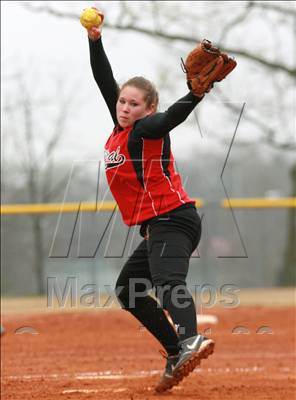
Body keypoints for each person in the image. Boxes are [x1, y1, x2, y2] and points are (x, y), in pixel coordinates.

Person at [85, 11, 215, 393]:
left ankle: (191, 338)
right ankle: (176, 352)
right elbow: (103, 80)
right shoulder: (120, 126)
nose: (125, 107)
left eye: (134, 104)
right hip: (159, 225)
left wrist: (194, 94)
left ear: (148, 109)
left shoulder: (147, 128)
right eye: (122, 102)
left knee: (167, 281)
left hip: (174, 219)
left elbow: (167, 120)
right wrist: (95, 41)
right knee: (128, 290)